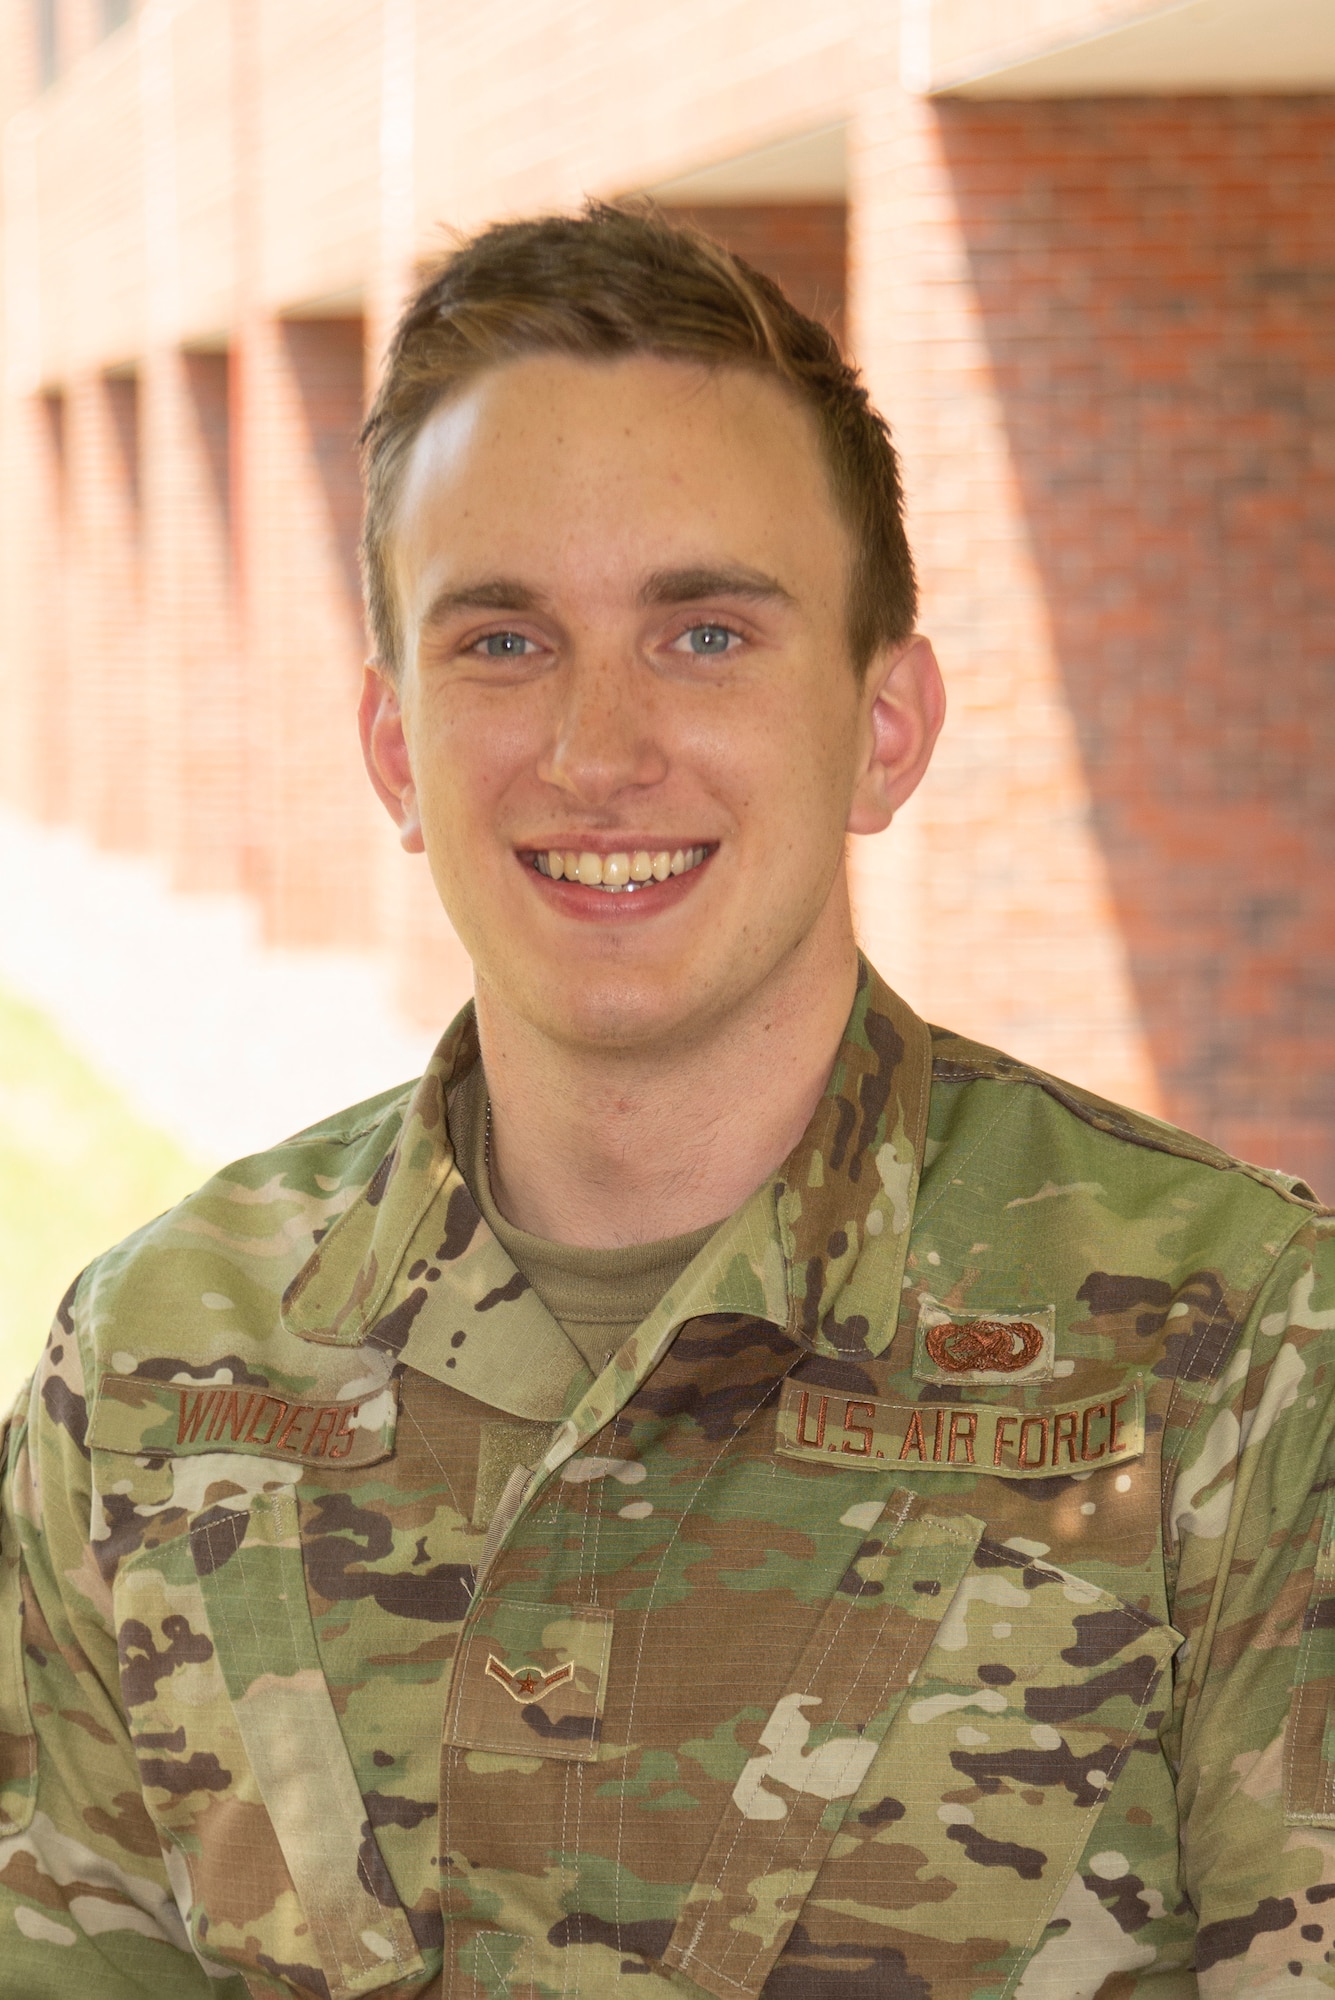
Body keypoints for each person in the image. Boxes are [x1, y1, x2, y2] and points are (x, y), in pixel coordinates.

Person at [1, 204, 1332, 2000]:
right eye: (502, 642)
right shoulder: (153, 1373)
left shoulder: (1239, 1354)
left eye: (705, 634)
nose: (596, 749)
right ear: (394, 747)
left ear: (885, 727)